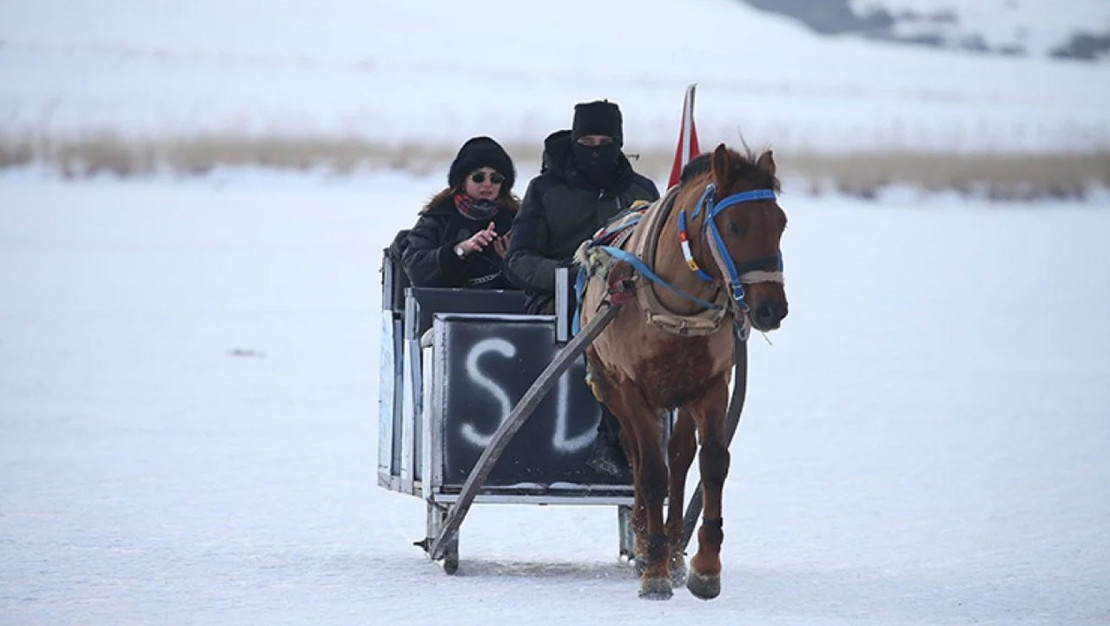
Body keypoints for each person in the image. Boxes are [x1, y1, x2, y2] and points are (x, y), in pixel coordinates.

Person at [506, 100, 660, 475]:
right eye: (586, 140)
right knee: (602, 335)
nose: (595, 149)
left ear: (618, 143)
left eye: (604, 140)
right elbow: (517, 260)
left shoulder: (641, 191)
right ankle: (612, 438)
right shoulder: (544, 189)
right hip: (555, 301)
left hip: (629, 302)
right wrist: (573, 277)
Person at [402, 136, 519, 289]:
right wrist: (460, 250)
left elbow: (532, 281)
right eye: (479, 177)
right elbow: (415, 267)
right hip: (445, 308)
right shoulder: (438, 216)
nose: (488, 184)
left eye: (495, 178)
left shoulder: (517, 219)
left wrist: (512, 261)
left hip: (505, 308)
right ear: (463, 181)